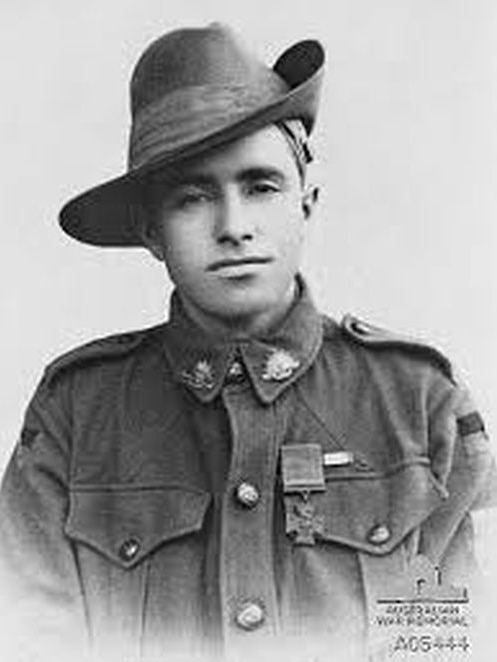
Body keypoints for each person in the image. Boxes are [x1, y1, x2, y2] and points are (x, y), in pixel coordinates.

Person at [0, 22, 495, 662]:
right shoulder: (77, 412)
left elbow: (453, 643)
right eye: (191, 197)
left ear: (307, 204)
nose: (233, 227)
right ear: (151, 231)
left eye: (260, 187)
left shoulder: (417, 403)